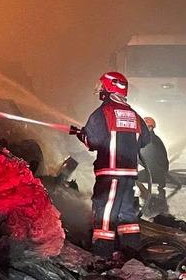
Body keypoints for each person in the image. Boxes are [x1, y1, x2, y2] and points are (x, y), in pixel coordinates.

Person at [76, 72, 150, 258]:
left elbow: (93, 141)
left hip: (110, 173)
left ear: (108, 88)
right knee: (127, 213)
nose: (100, 90)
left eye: (102, 87)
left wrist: (82, 135)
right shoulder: (134, 115)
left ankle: (102, 253)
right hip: (129, 173)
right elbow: (145, 139)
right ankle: (131, 252)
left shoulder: (104, 112)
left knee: (105, 212)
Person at [139, 117, 169, 192]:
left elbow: (144, 158)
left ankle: (144, 193)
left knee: (131, 177)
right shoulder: (155, 138)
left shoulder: (149, 140)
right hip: (160, 173)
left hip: (154, 173)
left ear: (151, 128)